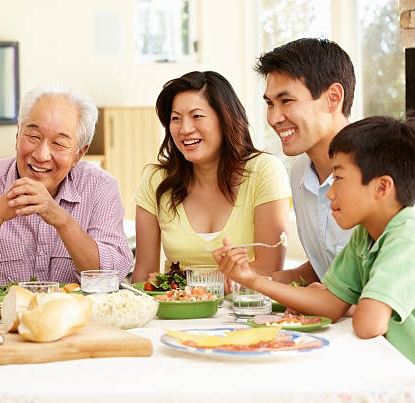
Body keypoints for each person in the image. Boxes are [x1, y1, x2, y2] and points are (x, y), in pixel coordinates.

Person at [214, 116, 415, 363]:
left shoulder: (407, 235)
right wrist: (251, 279)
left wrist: (352, 307)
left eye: (339, 179)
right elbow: (329, 303)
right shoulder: (365, 235)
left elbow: (368, 325)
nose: (330, 193)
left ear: (382, 188)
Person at [0, 87, 133, 295]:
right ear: (17, 135)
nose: (41, 155)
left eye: (59, 143)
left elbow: (109, 278)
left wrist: (61, 219)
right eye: (33, 136)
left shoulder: (100, 188)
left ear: (79, 153)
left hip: (75, 322)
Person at [131, 71, 291, 284]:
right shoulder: (156, 179)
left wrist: (179, 282)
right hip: (178, 315)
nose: (185, 129)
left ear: (225, 119)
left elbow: (268, 270)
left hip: (245, 311)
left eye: (197, 116)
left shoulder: (264, 171)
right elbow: (143, 276)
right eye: (175, 118)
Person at [254, 38, 356, 285]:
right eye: (269, 104)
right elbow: (331, 265)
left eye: (286, 101)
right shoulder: (299, 172)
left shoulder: (382, 171)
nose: (274, 118)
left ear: (333, 98)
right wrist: (251, 282)